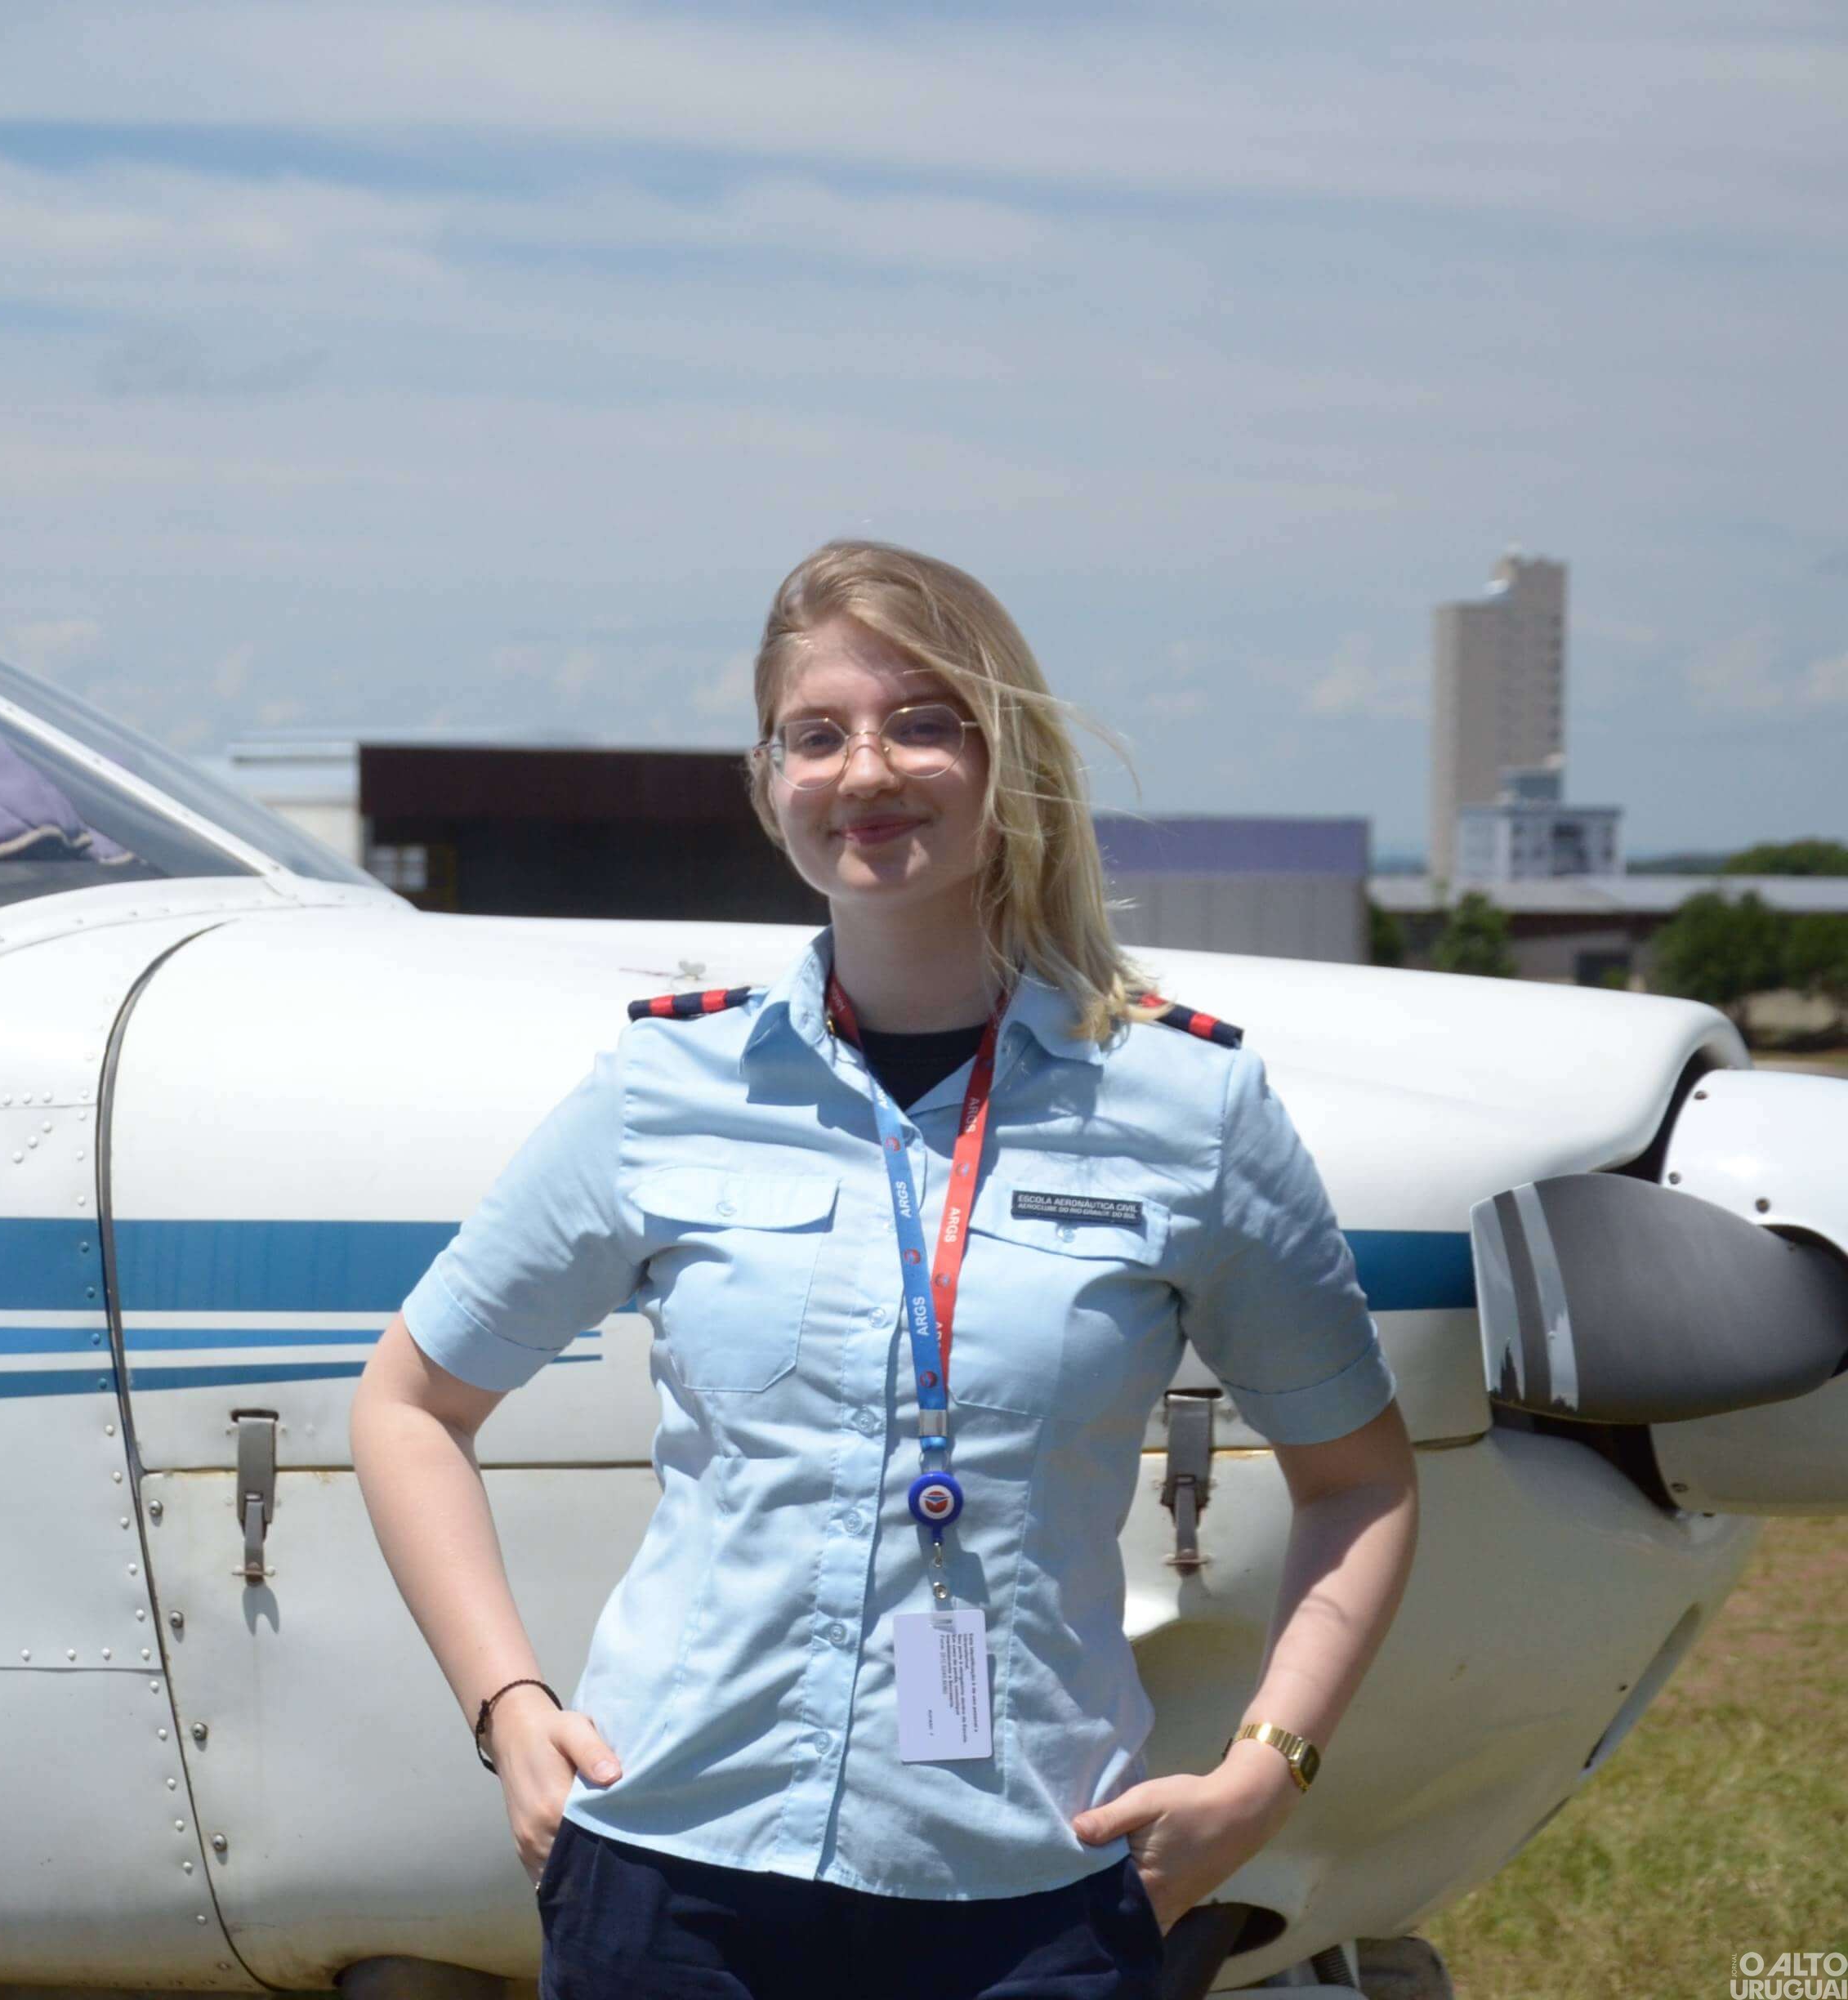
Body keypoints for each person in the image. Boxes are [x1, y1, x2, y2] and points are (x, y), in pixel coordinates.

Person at [349, 539, 1421, 1999]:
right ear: (768, 777)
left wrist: (1267, 1769)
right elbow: (409, 1406)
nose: (867, 771)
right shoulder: (669, 1080)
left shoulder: (1190, 1110)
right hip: (672, 1875)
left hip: (1026, 1894)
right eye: (819, 733)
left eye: (922, 721)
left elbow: (1361, 1477)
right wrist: (510, 1706)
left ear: (1008, 758)